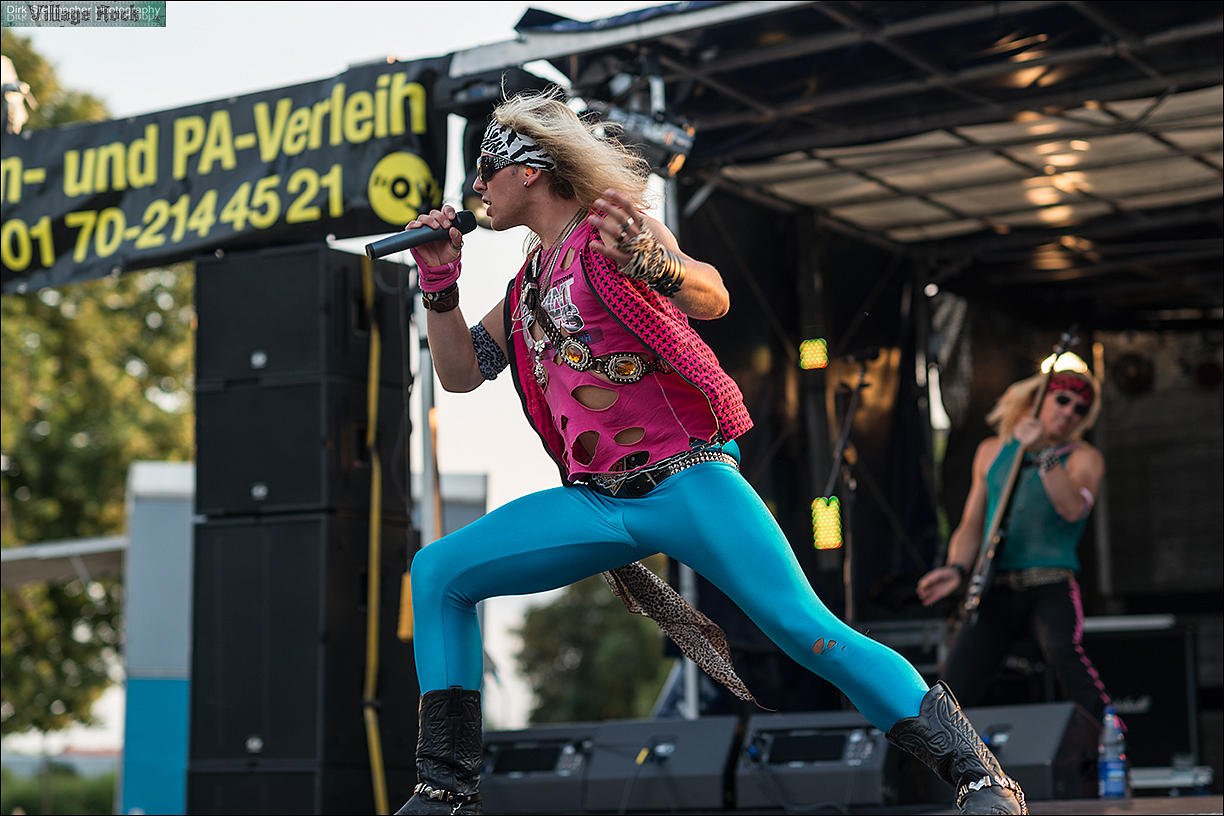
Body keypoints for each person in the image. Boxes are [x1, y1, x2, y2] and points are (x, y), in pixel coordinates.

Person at [394, 88, 1026, 815]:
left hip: (687, 481)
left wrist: (651, 262)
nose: (475, 187)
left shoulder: (611, 233)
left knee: (806, 630)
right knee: (439, 572)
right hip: (598, 502)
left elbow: (712, 294)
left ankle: (980, 775)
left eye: (485, 170)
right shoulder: (526, 286)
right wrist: (439, 284)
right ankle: (446, 791)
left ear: (529, 171)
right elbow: (459, 373)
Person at [917, 369, 1113, 722]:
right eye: (1063, 400)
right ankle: (940, 751)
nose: (1070, 412)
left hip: (1050, 584)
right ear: (1039, 399)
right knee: (953, 686)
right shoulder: (991, 451)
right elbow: (972, 524)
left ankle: (1108, 735)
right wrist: (956, 569)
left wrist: (1044, 453)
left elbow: (1072, 509)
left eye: (1080, 409)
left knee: (1062, 651)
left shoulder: (1084, 457)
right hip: (998, 586)